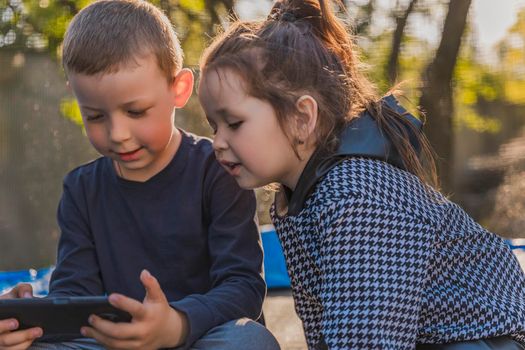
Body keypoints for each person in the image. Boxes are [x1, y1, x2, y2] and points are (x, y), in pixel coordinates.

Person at [197, 0, 525, 349]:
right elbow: (330, 329)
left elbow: (366, 342)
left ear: (302, 118)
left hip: (485, 341)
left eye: (233, 123)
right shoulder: (298, 196)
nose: (217, 142)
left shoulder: (354, 195)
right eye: (213, 126)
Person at [0, 1, 281, 349]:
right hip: (120, 342)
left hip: (202, 337)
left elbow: (243, 288)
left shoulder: (220, 168)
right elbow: (74, 294)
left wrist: (176, 325)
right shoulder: (81, 189)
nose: (117, 133)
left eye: (135, 111)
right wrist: (30, 322)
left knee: (249, 339)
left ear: (178, 89)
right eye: (96, 116)